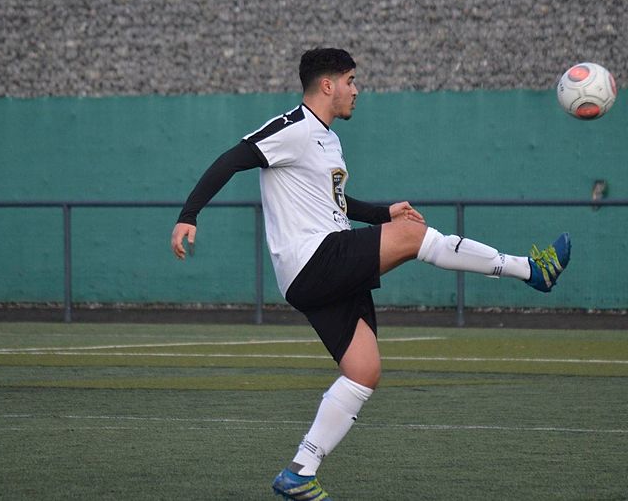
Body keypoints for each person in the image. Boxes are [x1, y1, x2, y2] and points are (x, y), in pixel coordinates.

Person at [170, 48, 571, 499]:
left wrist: (384, 212)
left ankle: (299, 472)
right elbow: (232, 159)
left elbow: (336, 204)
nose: (356, 90)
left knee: (364, 372)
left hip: (317, 273)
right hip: (314, 258)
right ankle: (531, 269)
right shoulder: (293, 127)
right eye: (351, 80)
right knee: (413, 237)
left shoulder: (329, 141)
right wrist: (189, 215)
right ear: (328, 85)